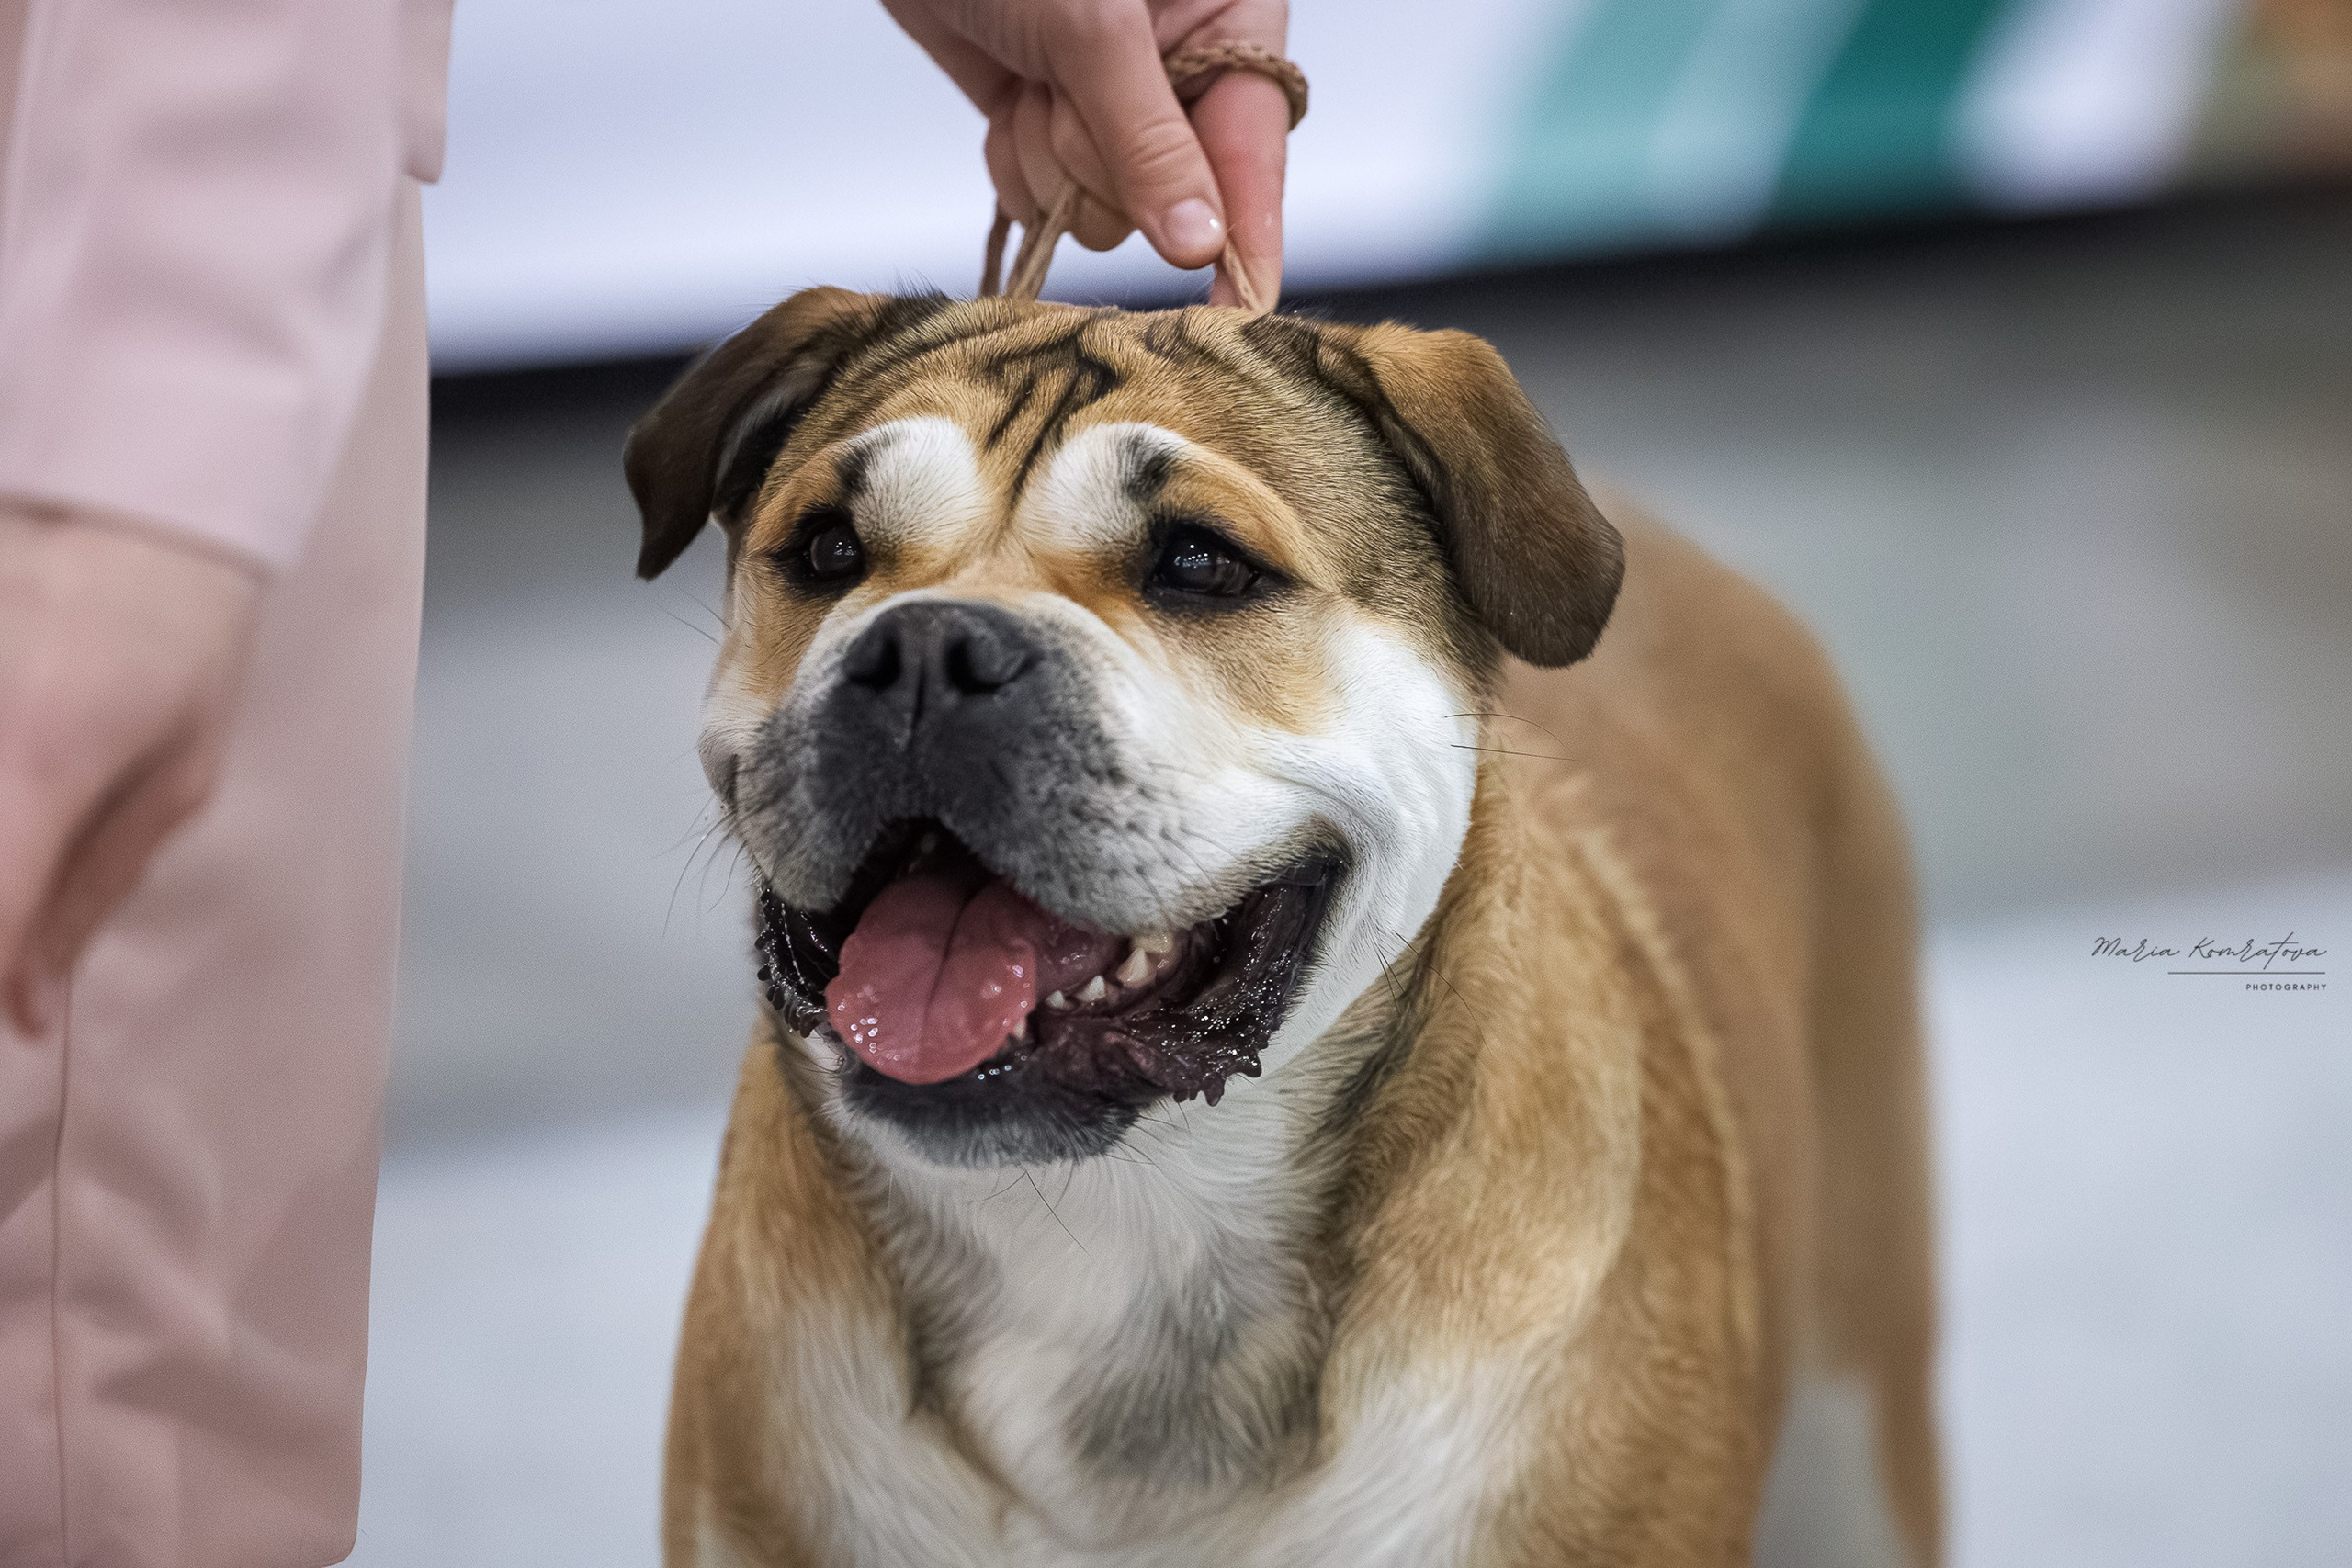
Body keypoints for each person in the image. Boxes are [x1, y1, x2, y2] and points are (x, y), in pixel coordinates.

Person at [0, 0, 1291, 1561]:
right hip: (169, 226)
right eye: (833, 554)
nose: (937, 655)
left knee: (101, 1341)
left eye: (1196, 566)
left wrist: (155, 464)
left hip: (160, 160)